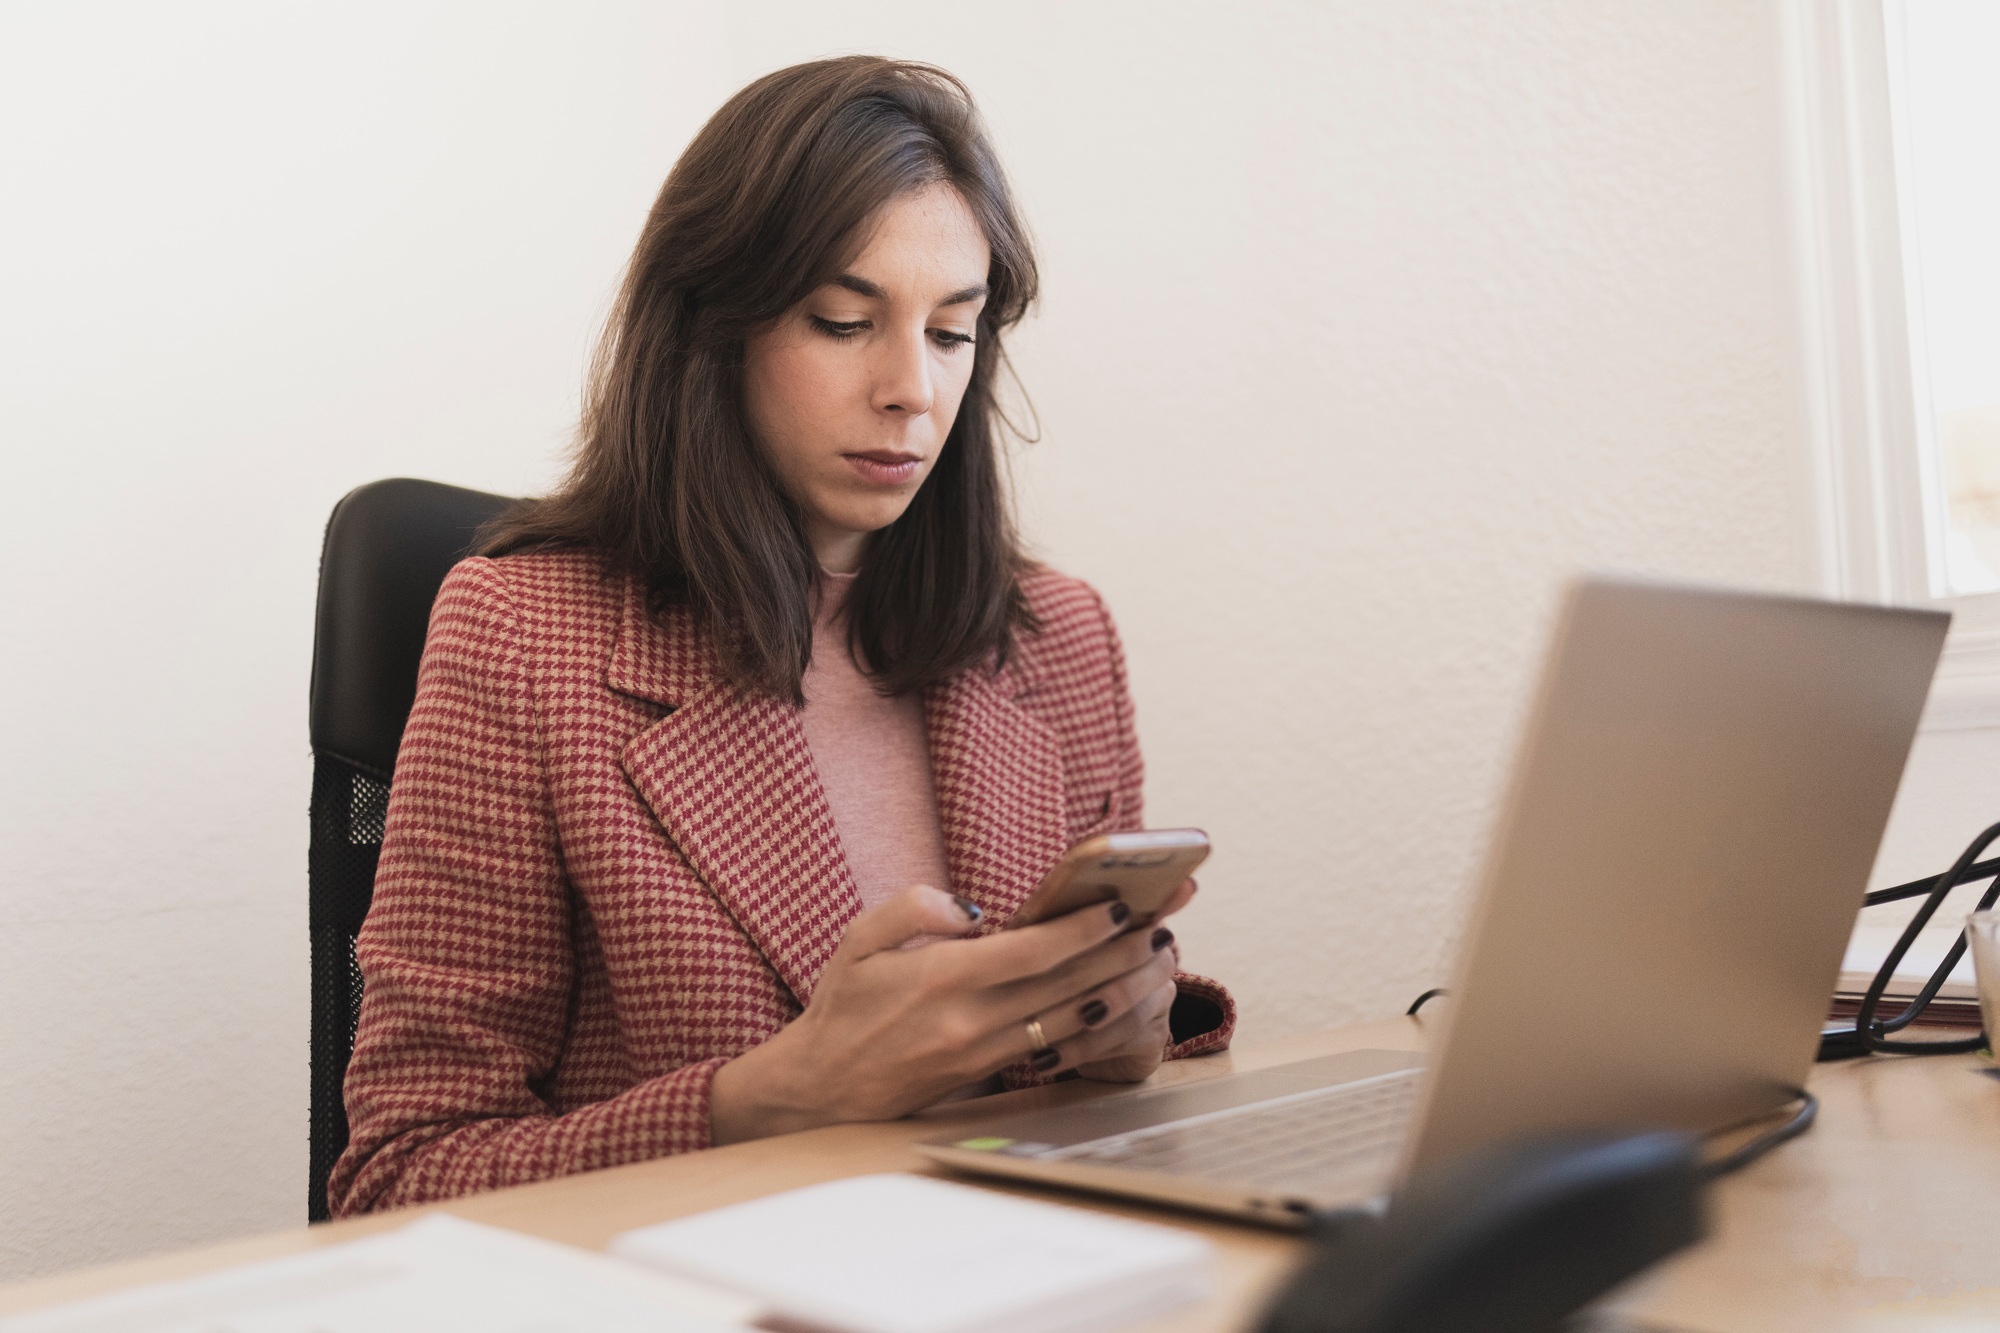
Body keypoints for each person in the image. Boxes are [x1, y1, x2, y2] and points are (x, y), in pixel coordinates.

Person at [329, 55, 1233, 1217]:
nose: (912, 389)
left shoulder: (1056, 636)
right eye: (844, 321)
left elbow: (1077, 1115)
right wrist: (764, 1098)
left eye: (952, 334)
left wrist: (1123, 1029)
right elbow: (399, 1178)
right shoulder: (519, 636)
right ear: (713, 330)